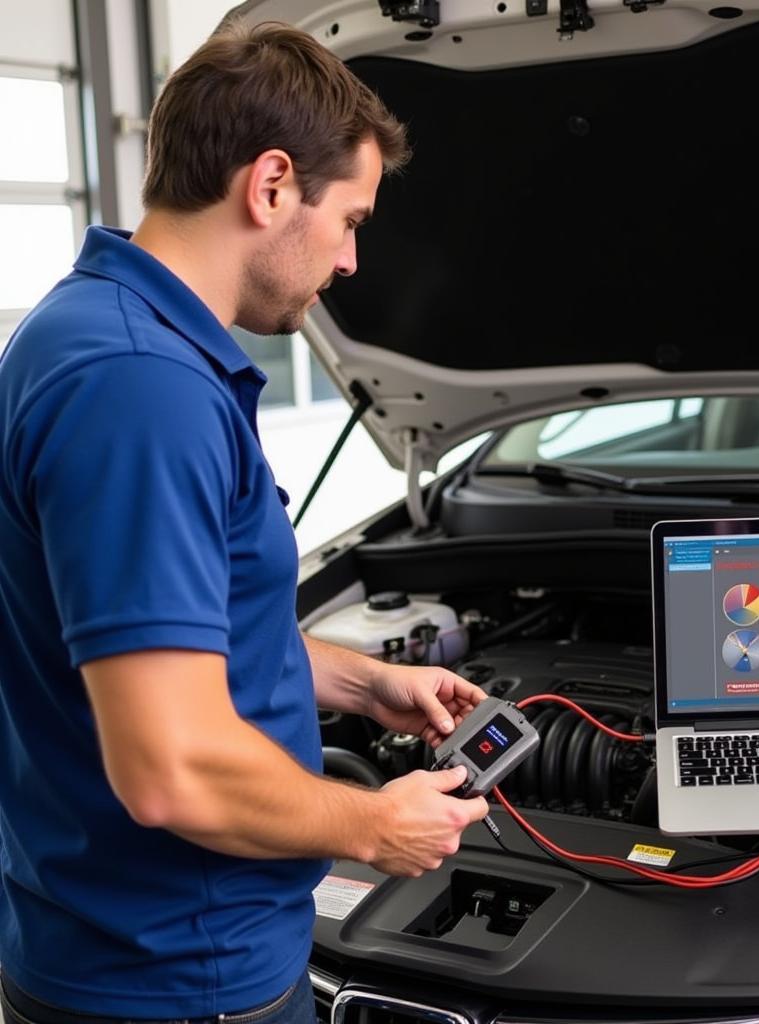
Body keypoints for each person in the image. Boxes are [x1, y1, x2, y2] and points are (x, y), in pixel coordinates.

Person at [0, 20, 490, 1024]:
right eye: (349, 218)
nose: (352, 260)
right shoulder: (140, 391)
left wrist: (363, 679)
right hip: (178, 983)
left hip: (129, 951)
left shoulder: (93, 331)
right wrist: (372, 824)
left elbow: (175, 629)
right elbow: (170, 771)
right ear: (270, 186)